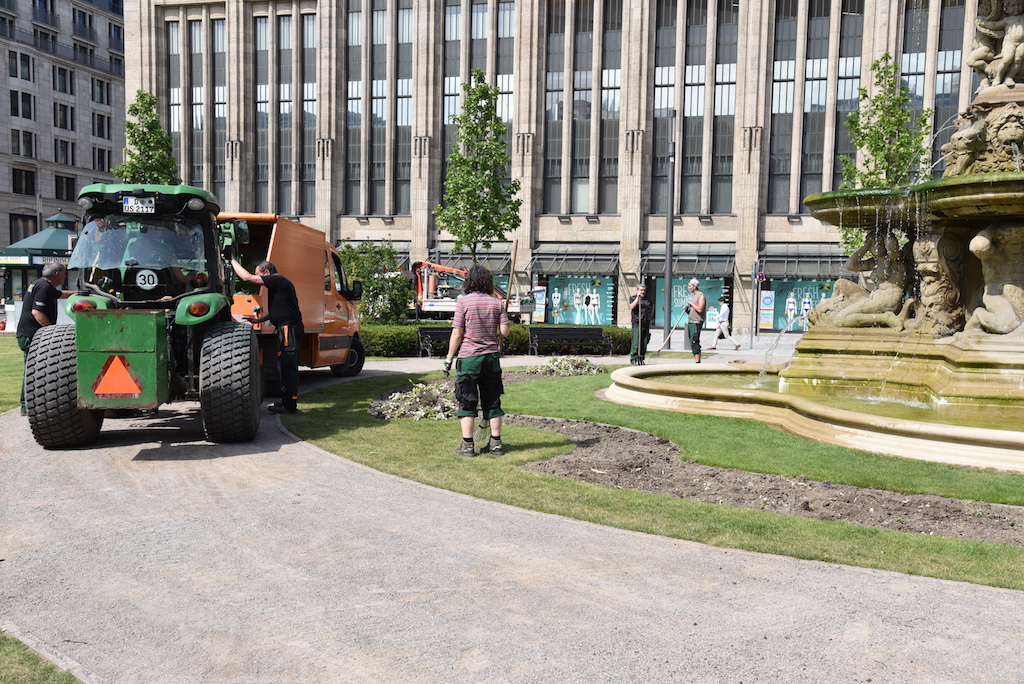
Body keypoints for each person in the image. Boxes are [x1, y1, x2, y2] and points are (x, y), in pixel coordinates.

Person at [444, 265, 511, 457]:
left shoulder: (463, 302)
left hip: (469, 359)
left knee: (467, 402)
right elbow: (505, 332)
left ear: (469, 281)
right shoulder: (497, 303)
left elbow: (457, 333)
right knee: (493, 402)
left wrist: (449, 358)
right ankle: (496, 444)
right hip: (491, 358)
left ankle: (468, 446)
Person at [231, 258, 304, 414]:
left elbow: (247, 278)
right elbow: (275, 310)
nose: (261, 281)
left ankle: (290, 406)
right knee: (282, 367)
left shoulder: (278, 280)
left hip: (288, 329)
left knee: (288, 367)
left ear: (267, 273)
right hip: (285, 328)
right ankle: (286, 401)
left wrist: (232, 261)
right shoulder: (279, 285)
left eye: (261, 276)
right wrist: (257, 319)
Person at [17, 262, 69, 415]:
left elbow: (62, 294)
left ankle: (29, 404)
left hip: (29, 334)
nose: (66, 276)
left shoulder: (43, 285)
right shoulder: (44, 287)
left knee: (34, 369)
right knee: (31, 370)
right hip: (31, 335)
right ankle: (26, 406)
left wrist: (81, 293)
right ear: (58, 274)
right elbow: (37, 312)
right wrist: (51, 331)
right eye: (65, 273)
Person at [628, 283, 654, 365]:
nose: (643, 292)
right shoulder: (632, 298)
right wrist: (637, 298)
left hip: (645, 322)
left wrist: (650, 315)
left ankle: (641, 358)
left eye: (644, 290)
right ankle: (633, 358)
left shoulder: (647, 298)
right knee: (636, 341)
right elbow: (631, 307)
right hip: (637, 323)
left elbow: (652, 306)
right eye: (641, 290)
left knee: (644, 341)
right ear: (637, 290)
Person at [684, 278, 706, 363]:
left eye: (689, 286)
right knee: (691, 342)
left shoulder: (701, 296)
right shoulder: (692, 296)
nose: (688, 287)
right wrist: (687, 310)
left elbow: (700, 309)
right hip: (691, 322)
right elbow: (693, 311)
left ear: (694, 286)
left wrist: (691, 303)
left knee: (694, 341)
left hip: (697, 323)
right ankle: (696, 360)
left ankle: (698, 362)